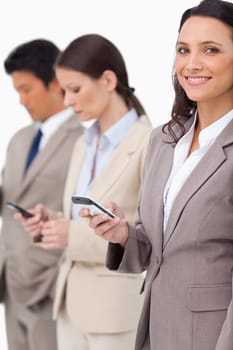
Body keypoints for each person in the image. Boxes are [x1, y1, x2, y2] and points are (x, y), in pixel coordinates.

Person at [80, 1, 233, 349]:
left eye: (210, 49)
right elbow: (154, 248)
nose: (192, 63)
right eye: (183, 49)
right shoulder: (164, 139)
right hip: (156, 328)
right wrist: (122, 235)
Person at [16, 34, 152, 350]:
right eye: (63, 91)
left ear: (107, 80)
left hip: (114, 313)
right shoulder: (83, 143)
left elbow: (148, 239)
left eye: (75, 90)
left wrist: (71, 235)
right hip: (69, 307)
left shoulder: (150, 143)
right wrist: (50, 222)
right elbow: (86, 215)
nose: (67, 101)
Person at [0, 39, 83, 350]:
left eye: (26, 90)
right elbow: (10, 197)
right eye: (16, 91)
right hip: (11, 282)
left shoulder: (85, 138)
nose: (21, 101)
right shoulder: (20, 139)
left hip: (50, 283)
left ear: (55, 84)